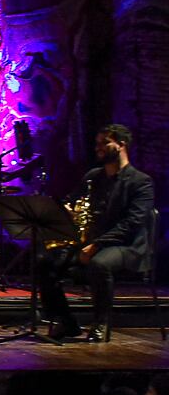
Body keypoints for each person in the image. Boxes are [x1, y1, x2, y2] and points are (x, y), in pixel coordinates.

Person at [37, 124, 155, 342]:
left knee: (99, 264)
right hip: (91, 244)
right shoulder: (93, 176)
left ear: (121, 145)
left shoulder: (141, 182)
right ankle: (68, 323)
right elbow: (71, 200)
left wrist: (97, 244)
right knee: (45, 262)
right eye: (97, 144)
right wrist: (66, 210)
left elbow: (133, 223)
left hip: (126, 246)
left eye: (104, 143)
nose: (98, 148)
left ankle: (101, 322)